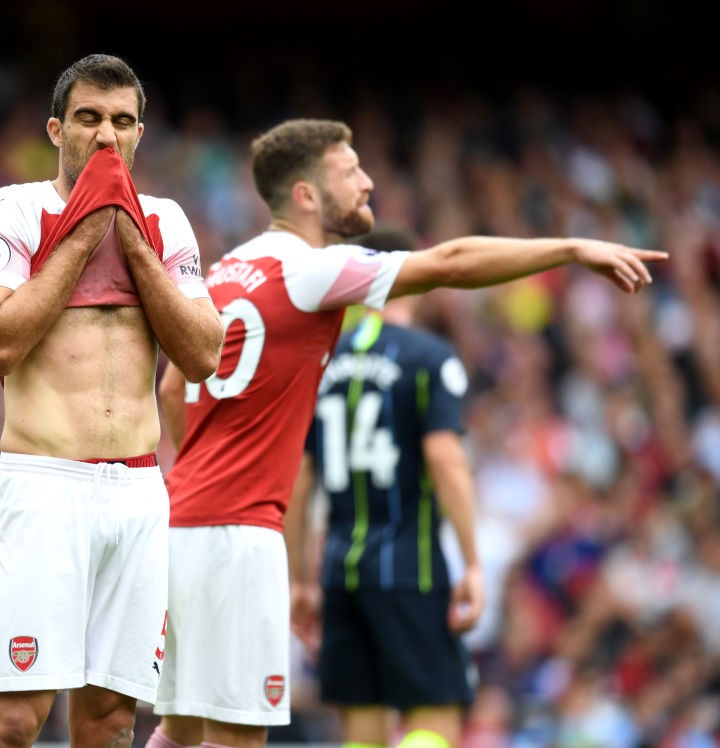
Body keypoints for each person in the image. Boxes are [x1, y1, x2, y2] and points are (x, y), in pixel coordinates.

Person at [150, 118, 666, 748]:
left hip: (181, 523)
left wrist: (206, 462)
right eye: (349, 172)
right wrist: (569, 248)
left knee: (178, 732)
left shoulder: (224, 271)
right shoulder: (309, 271)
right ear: (307, 196)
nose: (367, 183)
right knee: (238, 739)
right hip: (243, 535)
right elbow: (448, 262)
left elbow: (173, 388)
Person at [0, 53, 223, 748]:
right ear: (56, 129)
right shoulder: (13, 209)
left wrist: (129, 236)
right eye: (88, 119)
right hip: (47, 483)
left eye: (122, 122)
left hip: (138, 490)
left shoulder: (165, 222)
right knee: (16, 719)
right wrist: (85, 227)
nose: (106, 137)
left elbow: (203, 353)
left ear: (141, 134)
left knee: (111, 719)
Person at [285, 223, 483, 748]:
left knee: (363, 731)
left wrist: (300, 579)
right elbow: (446, 459)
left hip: (339, 571)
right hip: (410, 569)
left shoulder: (324, 363)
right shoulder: (428, 357)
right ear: (414, 279)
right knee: (435, 721)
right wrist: (473, 563)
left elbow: (299, 482)